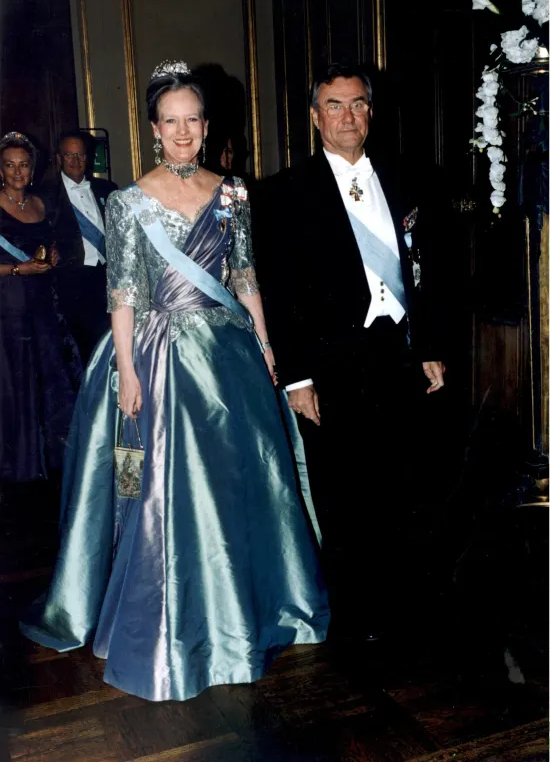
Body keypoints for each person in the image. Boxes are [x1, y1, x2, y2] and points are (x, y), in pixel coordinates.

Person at [21, 61, 329, 702]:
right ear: (154, 130)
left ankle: (244, 612)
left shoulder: (236, 193)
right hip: (158, 357)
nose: (183, 132)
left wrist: (266, 344)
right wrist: (128, 372)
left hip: (229, 356)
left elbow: (245, 277)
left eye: (193, 119)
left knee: (241, 484)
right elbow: (124, 292)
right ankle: (169, 623)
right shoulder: (129, 203)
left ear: (206, 126)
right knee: (160, 489)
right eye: (171, 121)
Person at [252, 64, 446, 642]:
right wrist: (297, 379)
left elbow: (425, 271)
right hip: (331, 363)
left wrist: (430, 346)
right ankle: (356, 619)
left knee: (405, 483)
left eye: (358, 104)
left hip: (398, 353)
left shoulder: (406, 177)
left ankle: (404, 608)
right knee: (343, 495)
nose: (348, 116)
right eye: (335, 106)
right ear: (315, 117)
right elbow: (279, 292)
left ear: (371, 112)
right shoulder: (285, 191)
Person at [0, 132, 82, 482]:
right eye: (9, 165)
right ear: (0, 170)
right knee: (16, 384)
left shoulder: (40, 204)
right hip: (10, 308)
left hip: (45, 307)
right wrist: (20, 268)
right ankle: (19, 467)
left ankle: (51, 464)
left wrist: (53, 256)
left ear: (32, 168)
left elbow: (48, 247)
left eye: (23, 164)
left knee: (50, 378)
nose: (17, 172)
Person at [39, 131, 117, 365]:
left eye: (80, 155)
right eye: (69, 155)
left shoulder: (107, 189)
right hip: (70, 283)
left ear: (88, 158)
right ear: (59, 158)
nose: (75, 161)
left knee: (113, 342)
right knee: (81, 351)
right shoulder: (45, 195)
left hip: (107, 278)